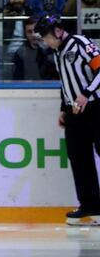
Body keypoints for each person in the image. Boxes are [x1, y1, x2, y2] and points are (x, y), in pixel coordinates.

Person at [34, 16, 100, 226]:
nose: (45, 42)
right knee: (78, 157)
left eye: (46, 37)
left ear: (58, 31)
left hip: (96, 106)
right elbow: (65, 83)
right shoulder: (57, 52)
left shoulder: (81, 43)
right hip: (75, 111)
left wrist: (86, 93)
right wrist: (64, 108)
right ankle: (90, 205)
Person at [12, 16, 56, 80]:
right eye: (29, 32)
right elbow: (17, 80)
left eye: (35, 31)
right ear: (25, 34)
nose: (33, 34)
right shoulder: (20, 53)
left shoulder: (53, 49)